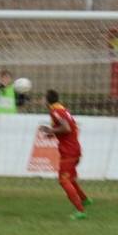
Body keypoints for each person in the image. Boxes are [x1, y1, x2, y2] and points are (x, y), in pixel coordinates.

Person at [39, 89, 92, 220]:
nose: (41, 100)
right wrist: (52, 134)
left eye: (42, 97)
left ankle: (81, 211)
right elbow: (67, 130)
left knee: (63, 180)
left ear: (47, 100)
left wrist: (50, 130)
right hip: (74, 149)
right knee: (71, 179)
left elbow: (66, 128)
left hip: (69, 152)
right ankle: (85, 199)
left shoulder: (55, 112)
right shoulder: (62, 109)